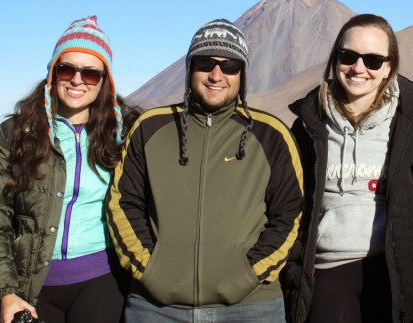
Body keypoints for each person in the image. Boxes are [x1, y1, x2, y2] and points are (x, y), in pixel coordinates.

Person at [106, 18, 303, 322]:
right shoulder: (150, 128)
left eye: (230, 66)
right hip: (157, 307)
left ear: (243, 75)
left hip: (251, 306)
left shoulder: (271, 135)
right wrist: (149, 270)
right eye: (205, 63)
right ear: (189, 69)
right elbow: (123, 202)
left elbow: (289, 213)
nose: (216, 75)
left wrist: (247, 275)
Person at [281, 13, 413, 323]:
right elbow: (287, 206)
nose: (358, 68)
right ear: (335, 59)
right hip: (326, 272)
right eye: (348, 56)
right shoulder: (308, 126)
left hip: (400, 274)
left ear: (389, 67)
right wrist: (294, 267)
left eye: (372, 60)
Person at [0, 16, 139, 323]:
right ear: (53, 72)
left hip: (102, 281)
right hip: (31, 285)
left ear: (104, 81)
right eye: (67, 69)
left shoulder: (125, 134)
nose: (76, 80)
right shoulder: (15, 135)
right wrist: (6, 292)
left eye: (90, 73)